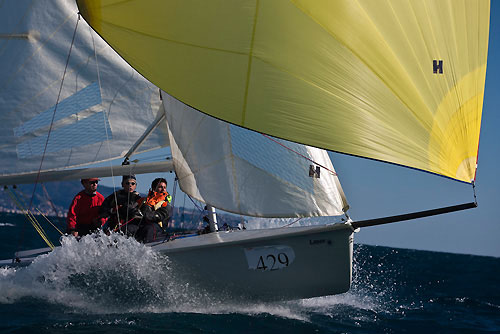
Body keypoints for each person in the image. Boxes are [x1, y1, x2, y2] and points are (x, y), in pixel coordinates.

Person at [136, 177, 172, 243]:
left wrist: (145, 212)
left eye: (164, 187)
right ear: (154, 189)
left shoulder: (165, 204)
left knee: (149, 228)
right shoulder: (144, 200)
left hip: (157, 228)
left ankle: (146, 250)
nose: (163, 189)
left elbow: (159, 216)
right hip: (141, 225)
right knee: (130, 228)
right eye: (160, 187)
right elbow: (134, 208)